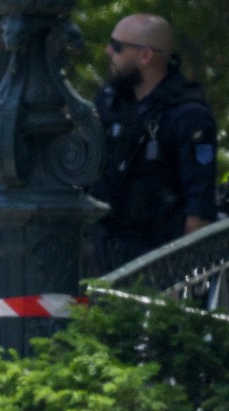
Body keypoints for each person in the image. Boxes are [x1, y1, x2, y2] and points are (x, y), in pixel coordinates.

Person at [89, 14, 220, 275]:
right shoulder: (110, 103)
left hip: (158, 261)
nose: (108, 52)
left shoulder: (187, 114)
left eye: (117, 46)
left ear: (146, 55)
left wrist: (185, 273)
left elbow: (199, 204)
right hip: (106, 253)